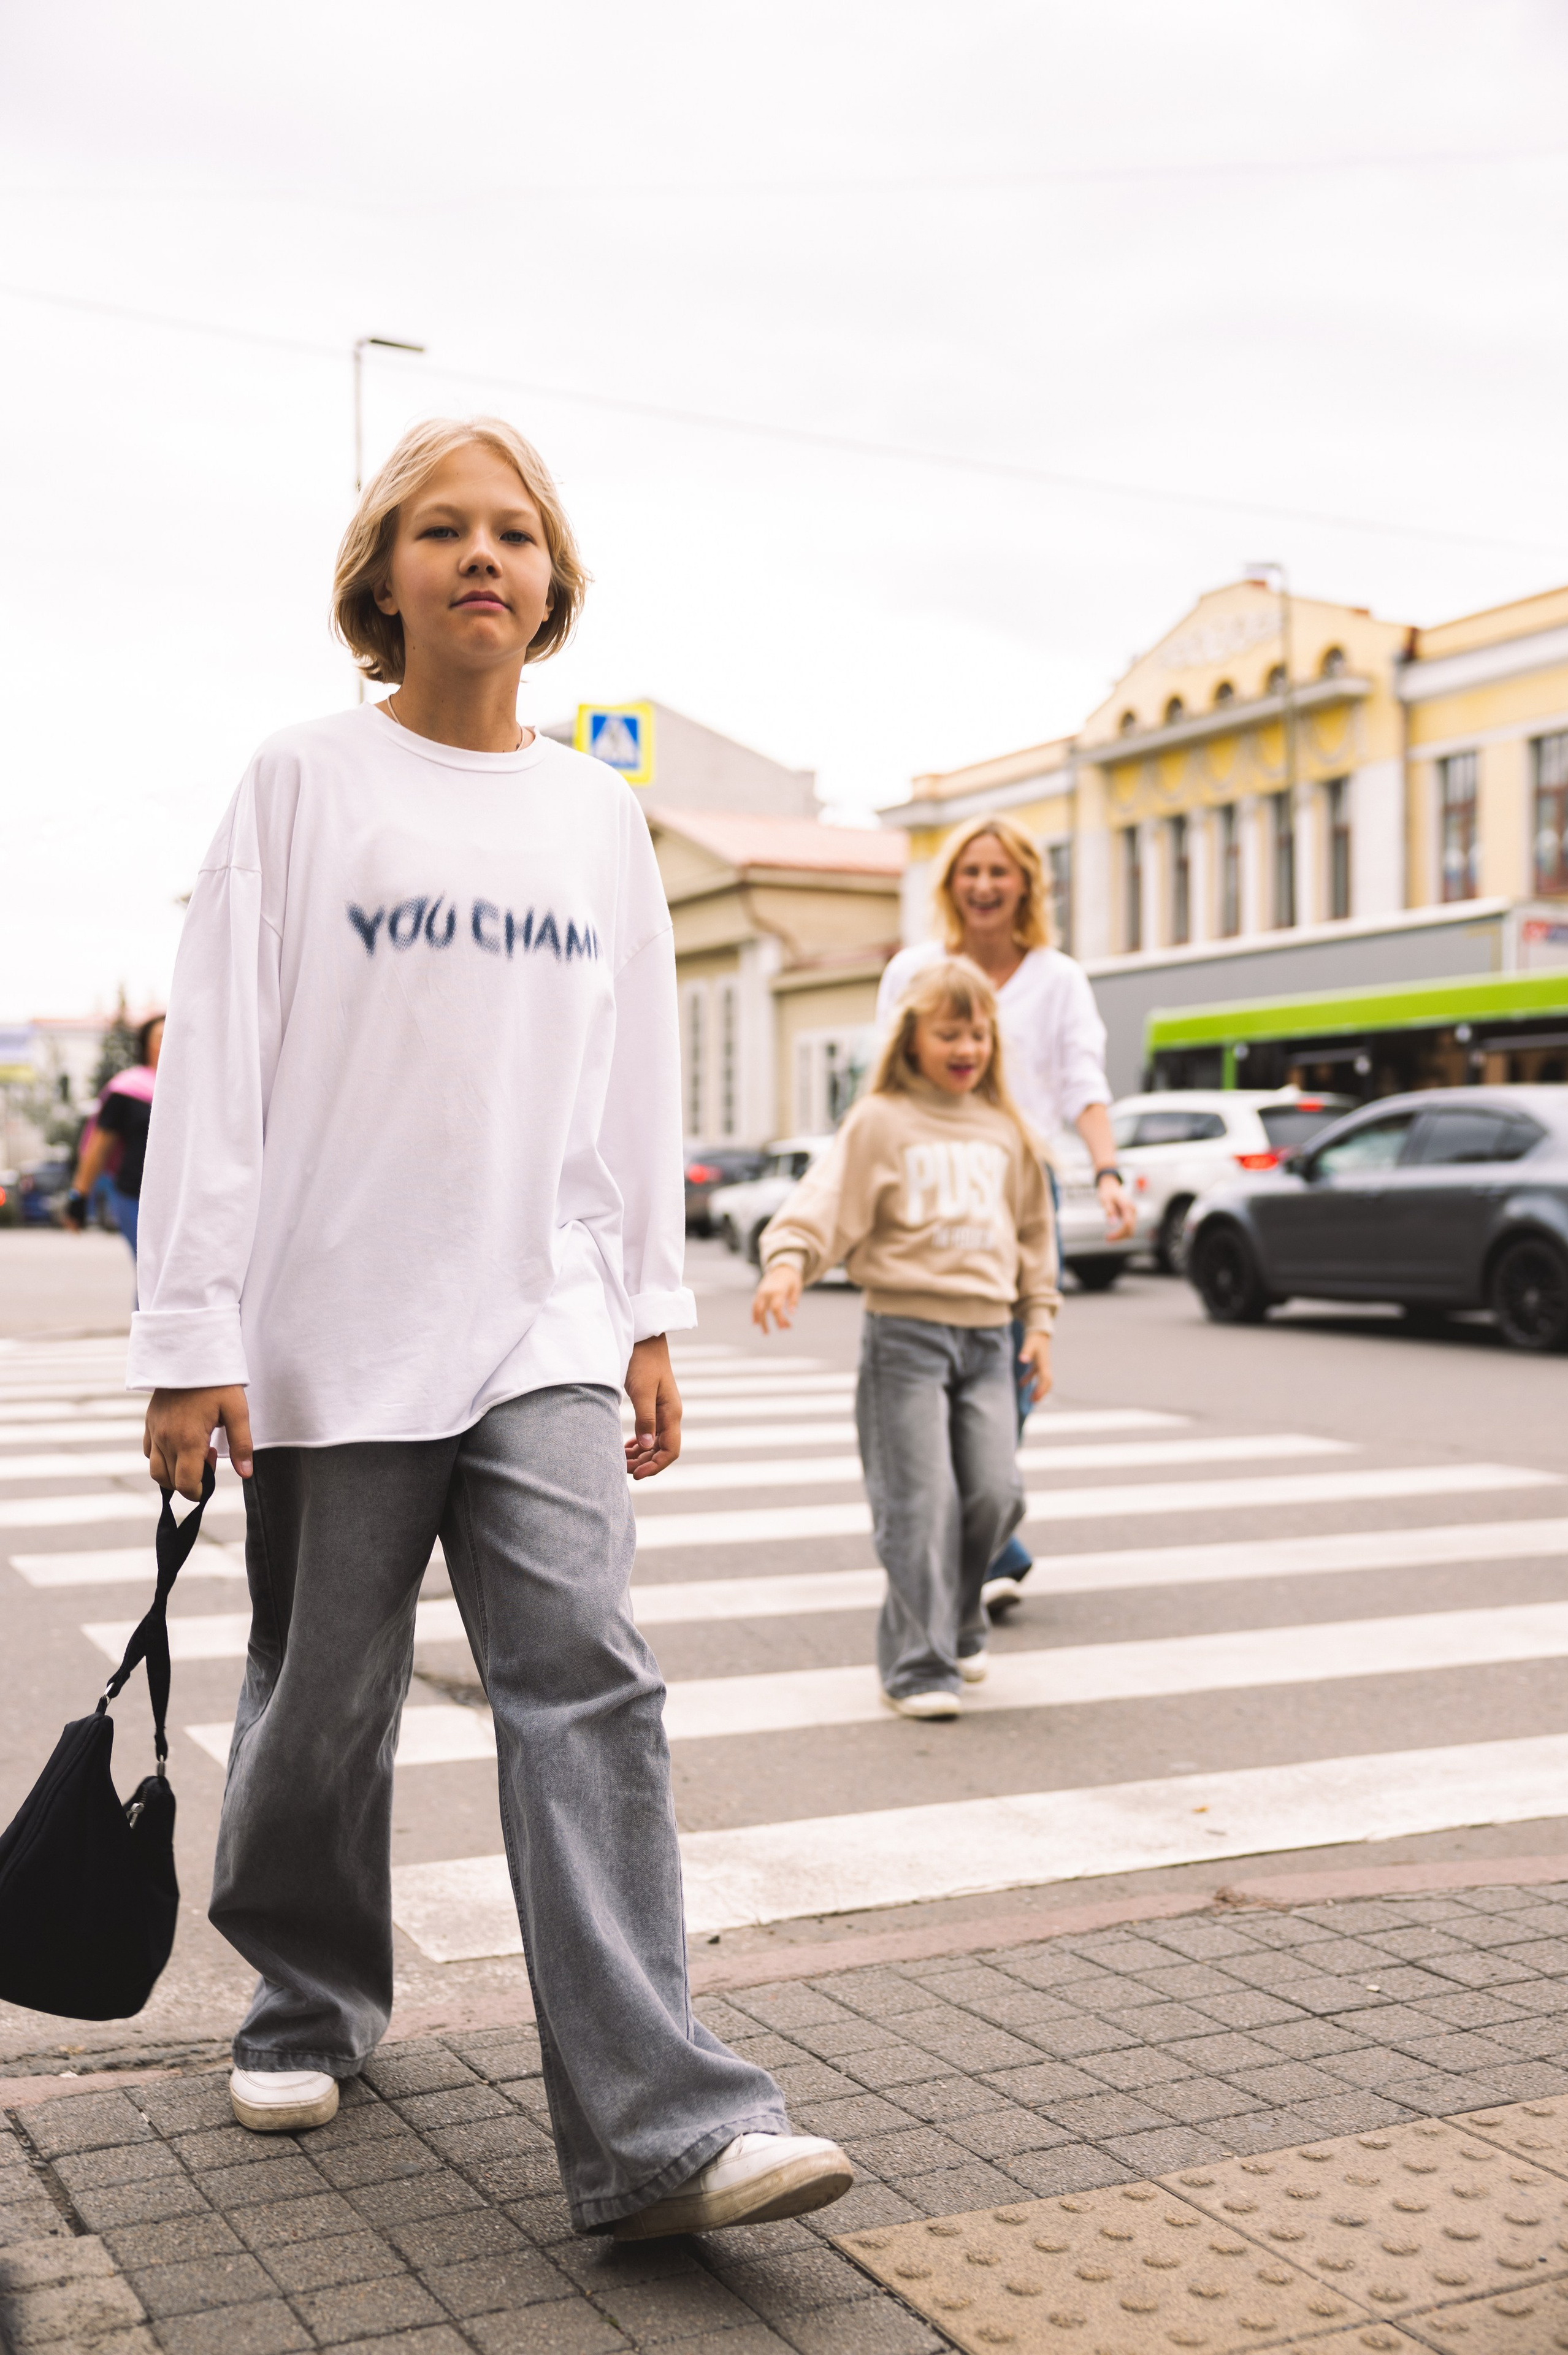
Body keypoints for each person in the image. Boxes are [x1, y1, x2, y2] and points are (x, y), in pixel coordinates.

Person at [128, 416, 851, 2242]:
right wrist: (188, 1337)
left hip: (538, 1322)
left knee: (587, 1671)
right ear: (379, 578)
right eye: (439, 530)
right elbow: (211, 1075)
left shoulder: (593, 814)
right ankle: (308, 1986)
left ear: (552, 582)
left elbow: (615, 1102)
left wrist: (648, 1317)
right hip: (331, 1326)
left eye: (513, 532)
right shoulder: (301, 781)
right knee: (322, 1696)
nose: (481, 556)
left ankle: (667, 2123)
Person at [752, 958, 1058, 1716]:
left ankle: (958, 1615)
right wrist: (788, 1262)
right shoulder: (881, 1121)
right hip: (906, 1337)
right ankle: (918, 1665)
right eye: (949, 1033)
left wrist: (1041, 1322)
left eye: (978, 1033)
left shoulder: (1005, 1129)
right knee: (920, 1502)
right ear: (912, 1039)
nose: (967, 1047)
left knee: (992, 1492)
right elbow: (824, 1201)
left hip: (990, 1340)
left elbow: (1032, 1234)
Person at [876, 816, 1134, 1614]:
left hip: (1022, 1195)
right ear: (950, 884)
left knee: (1011, 1375)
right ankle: (987, 1547)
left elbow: (1083, 1082)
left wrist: (1109, 1169)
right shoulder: (916, 969)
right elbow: (884, 1079)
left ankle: (984, 1540)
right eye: (970, 872)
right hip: (932, 1190)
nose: (984, 886)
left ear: (1026, 883)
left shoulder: (1057, 979)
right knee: (931, 1378)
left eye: (1000, 872)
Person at [66, 1015, 164, 1277]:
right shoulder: (127, 1090)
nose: (167, 1041)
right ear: (145, 1045)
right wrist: (79, 1197)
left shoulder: (193, 1088)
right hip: (134, 1194)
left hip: (179, 1196)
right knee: (152, 1273)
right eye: (159, 1036)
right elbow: (97, 1149)